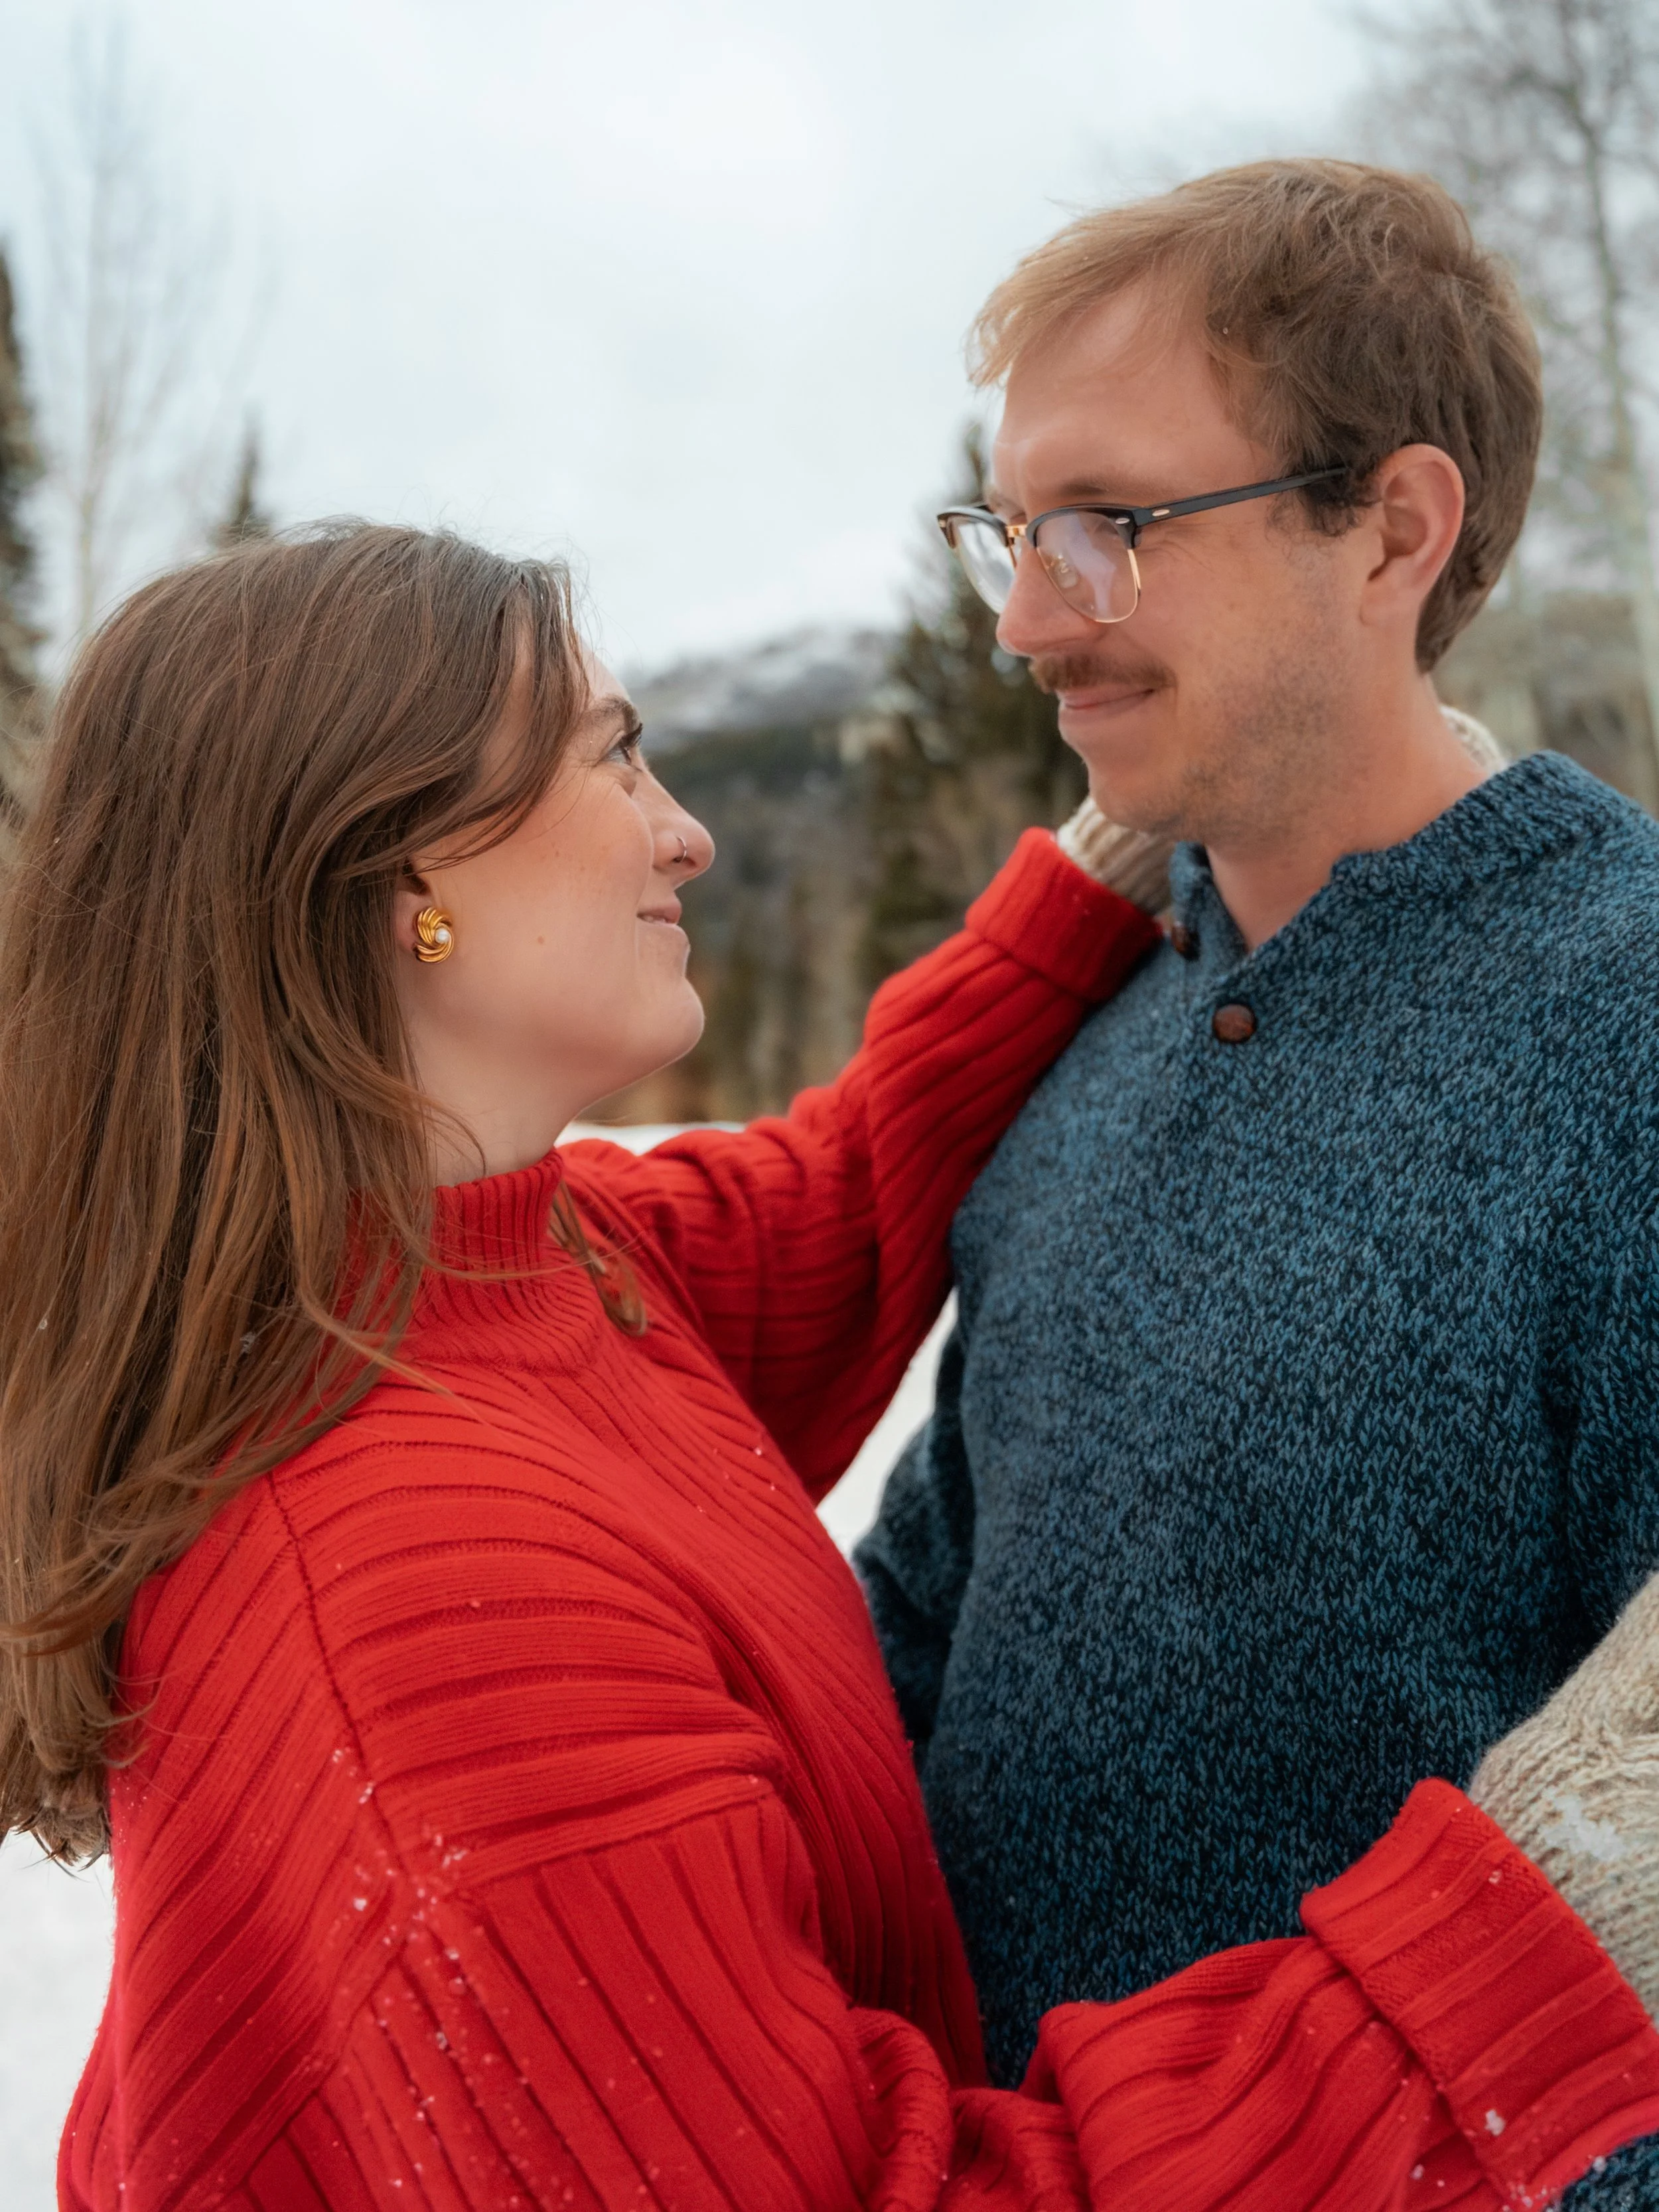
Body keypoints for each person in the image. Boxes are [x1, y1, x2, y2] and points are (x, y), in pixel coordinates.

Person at [3, 524, 1654, 2212]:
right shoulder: (423, 1602)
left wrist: (1123, 829)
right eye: (614, 755)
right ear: (408, 875)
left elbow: (850, 1192)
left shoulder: (496, 1267)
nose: (685, 830)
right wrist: (1556, 1901)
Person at [857, 158, 1659, 2207]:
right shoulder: (1093, 1043)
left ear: (1392, 526)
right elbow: (930, 1626)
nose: (1033, 617)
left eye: (1109, 529)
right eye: (1010, 533)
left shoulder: (1627, 1026)